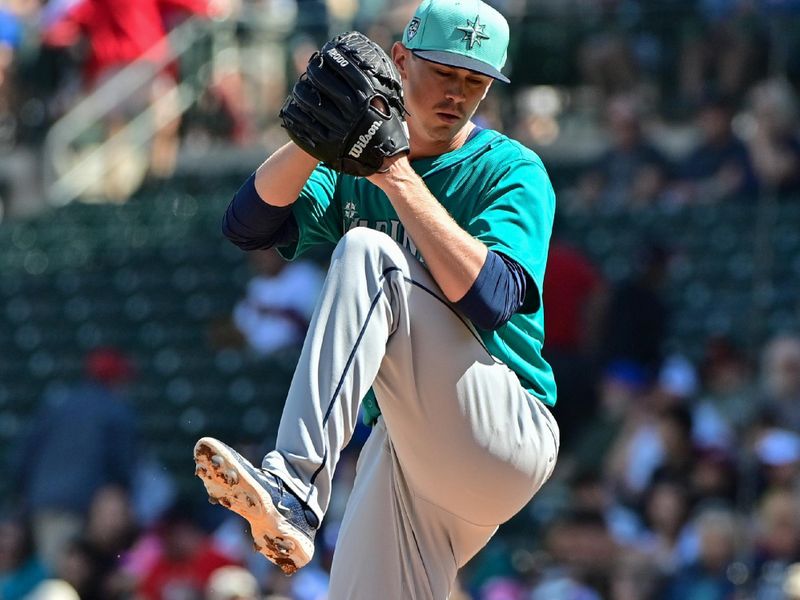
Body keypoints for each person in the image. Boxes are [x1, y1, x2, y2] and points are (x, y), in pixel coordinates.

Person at [193, 1, 560, 598]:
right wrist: (310, 137)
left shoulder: (511, 168)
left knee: (370, 252)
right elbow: (247, 226)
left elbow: (492, 298)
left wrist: (393, 171)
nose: (458, 94)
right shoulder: (352, 167)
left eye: (475, 81)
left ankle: (295, 486)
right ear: (399, 61)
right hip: (407, 453)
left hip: (501, 426)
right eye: (444, 72)